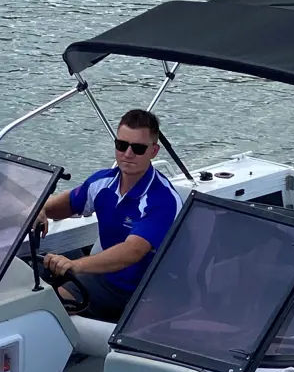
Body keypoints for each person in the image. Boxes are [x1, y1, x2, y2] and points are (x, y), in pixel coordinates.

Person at [33, 108, 183, 321]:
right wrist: (40, 208)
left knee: (53, 308)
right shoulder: (103, 182)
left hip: (148, 293)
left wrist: (76, 265)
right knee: (38, 297)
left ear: (154, 151)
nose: (128, 154)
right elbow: (64, 204)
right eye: (121, 145)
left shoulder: (162, 199)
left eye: (138, 148)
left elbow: (133, 251)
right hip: (106, 279)